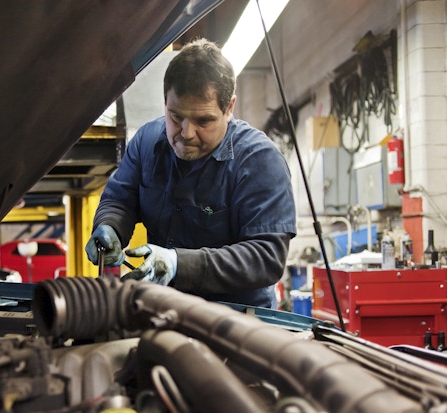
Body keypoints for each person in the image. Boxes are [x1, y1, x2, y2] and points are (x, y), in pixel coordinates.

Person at [85, 38, 296, 308]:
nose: (186, 133)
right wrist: (110, 225)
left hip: (237, 326)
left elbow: (266, 258)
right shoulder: (146, 143)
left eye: (203, 120)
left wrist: (178, 263)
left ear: (229, 108)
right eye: (176, 117)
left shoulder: (259, 161)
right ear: (164, 103)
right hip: (163, 310)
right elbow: (120, 199)